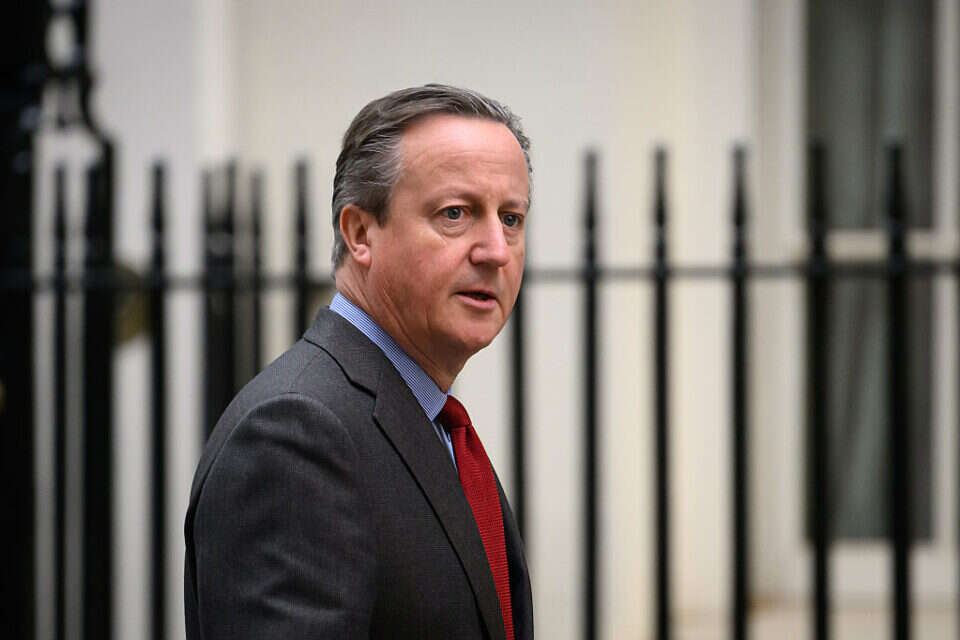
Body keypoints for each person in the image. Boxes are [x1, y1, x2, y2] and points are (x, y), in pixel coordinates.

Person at [184, 84, 534, 639]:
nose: (495, 249)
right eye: (455, 213)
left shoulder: (432, 422)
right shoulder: (295, 434)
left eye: (511, 218)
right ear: (360, 233)